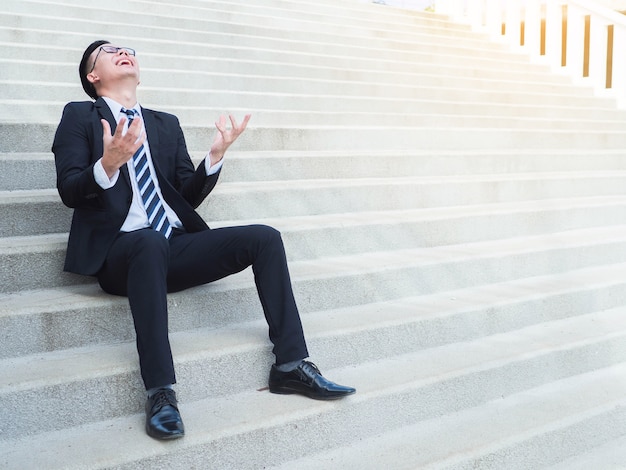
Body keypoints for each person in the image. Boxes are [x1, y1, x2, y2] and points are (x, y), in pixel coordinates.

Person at [52, 40, 355, 441]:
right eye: (109, 52)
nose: (123, 52)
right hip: (120, 255)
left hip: (170, 247)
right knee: (147, 242)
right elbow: (69, 190)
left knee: (265, 238)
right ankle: (161, 392)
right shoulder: (79, 116)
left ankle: (290, 365)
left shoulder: (163, 123)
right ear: (93, 76)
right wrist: (108, 163)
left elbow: (184, 197)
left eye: (128, 49)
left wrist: (213, 159)